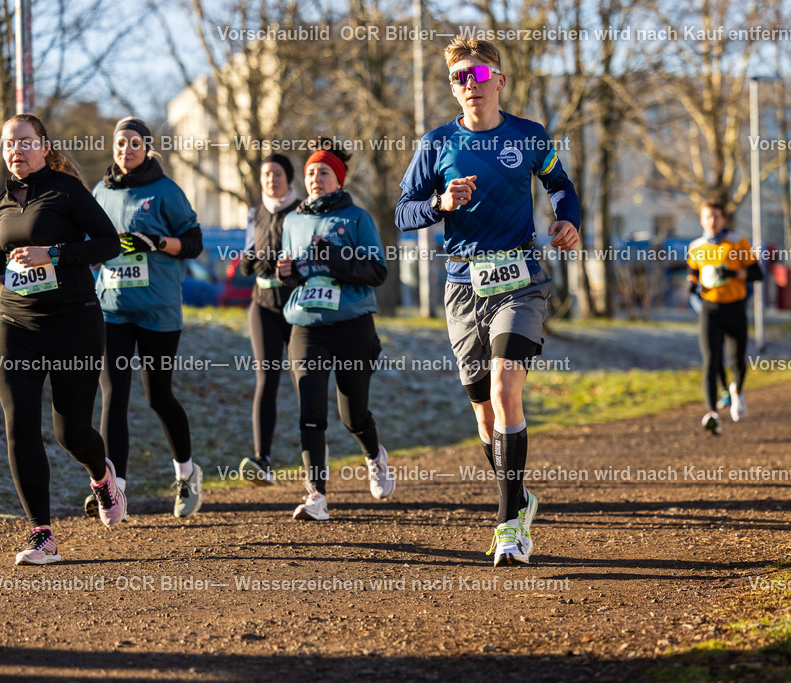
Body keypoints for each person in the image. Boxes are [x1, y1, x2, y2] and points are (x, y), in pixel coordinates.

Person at [396, 38, 581, 566]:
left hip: (519, 277)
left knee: (505, 388)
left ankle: (509, 528)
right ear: (452, 87)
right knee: (483, 413)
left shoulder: (527, 135)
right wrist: (440, 202)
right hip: (461, 284)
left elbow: (560, 184)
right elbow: (403, 214)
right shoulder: (435, 145)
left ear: (500, 79)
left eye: (478, 73)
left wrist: (567, 219)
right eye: (459, 77)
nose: (469, 84)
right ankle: (518, 497)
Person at [0, 113, 125, 565]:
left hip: (74, 324)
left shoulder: (67, 190)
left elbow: (109, 243)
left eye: (25, 142)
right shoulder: (0, 200)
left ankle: (101, 475)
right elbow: (12, 254)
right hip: (15, 325)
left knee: (70, 430)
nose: (16, 150)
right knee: (19, 425)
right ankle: (41, 534)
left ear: (43, 146)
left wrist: (53, 253)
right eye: (9, 143)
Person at [90, 117, 205, 518]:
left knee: (158, 397)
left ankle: (188, 475)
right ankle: (114, 488)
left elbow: (194, 243)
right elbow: (87, 248)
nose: (126, 150)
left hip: (158, 312)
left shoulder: (165, 191)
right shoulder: (99, 192)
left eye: (134, 143)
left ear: (147, 148)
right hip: (112, 311)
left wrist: (159, 242)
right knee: (113, 396)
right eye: (120, 142)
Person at [276, 138, 395, 521]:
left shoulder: (357, 218)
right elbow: (296, 275)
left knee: (352, 415)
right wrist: (288, 274)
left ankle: (375, 456)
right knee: (310, 410)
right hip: (306, 326)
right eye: (310, 172)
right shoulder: (292, 220)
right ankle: (316, 495)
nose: (315, 178)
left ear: (339, 179)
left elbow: (377, 272)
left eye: (323, 171)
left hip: (352, 326)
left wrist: (337, 257)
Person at [238, 154, 302, 484]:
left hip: (296, 307)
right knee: (267, 380)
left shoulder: (302, 211)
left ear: (288, 178)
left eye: (276, 174)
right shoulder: (255, 212)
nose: (270, 180)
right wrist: (250, 261)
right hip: (262, 306)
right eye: (265, 175)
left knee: (304, 383)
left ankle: (313, 465)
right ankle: (262, 460)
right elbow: (248, 255)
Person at [686, 199, 763, 436]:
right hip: (710, 310)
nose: (712, 221)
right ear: (701, 220)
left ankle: (737, 391)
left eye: (716, 216)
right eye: (708, 217)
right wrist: (690, 285)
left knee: (736, 359)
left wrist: (733, 272)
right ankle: (712, 414)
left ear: (723, 219)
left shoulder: (737, 242)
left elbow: (756, 273)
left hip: (735, 308)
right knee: (710, 361)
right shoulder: (695, 246)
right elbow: (693, 272)